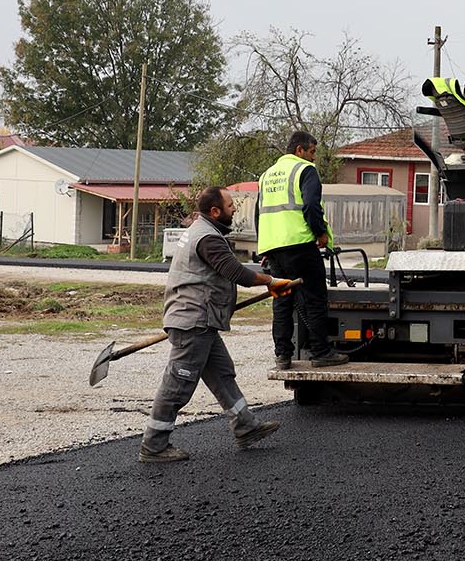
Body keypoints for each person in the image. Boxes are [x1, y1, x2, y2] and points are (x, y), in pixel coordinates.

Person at [140, 186, 296, 464]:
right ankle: (153, 445)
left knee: (222, 374)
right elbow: (236, 272)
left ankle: (245, 426)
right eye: (230, 205)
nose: (234, 208)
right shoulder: (207, 238)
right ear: (215, 211)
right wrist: (272, 281)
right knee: (178, 383)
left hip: (202, 319)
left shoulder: (202, 231)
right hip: (193, 320)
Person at [257, 130, 346, 371]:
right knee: (315, 298)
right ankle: (321, 352)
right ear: (300, 150)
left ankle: (282, 356)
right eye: (312, 152)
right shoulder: (305, 170)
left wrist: (264, 246)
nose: (314, 157)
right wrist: (320, 233)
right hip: (299, 245)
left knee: (282, 302)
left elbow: (260, 212)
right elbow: (310, 206)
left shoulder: (266, 175)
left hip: (274, 248)